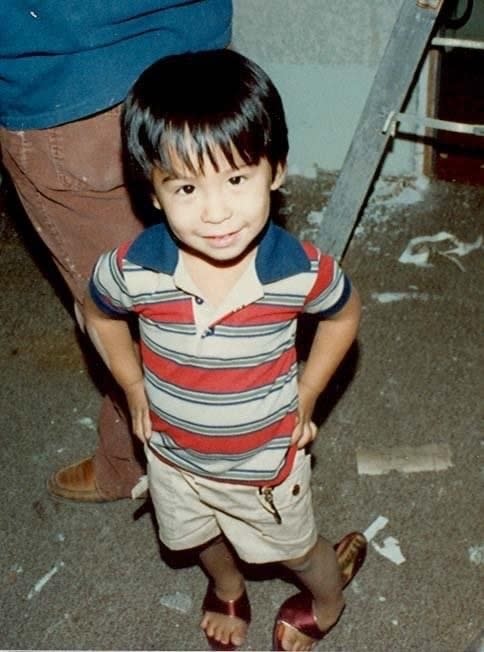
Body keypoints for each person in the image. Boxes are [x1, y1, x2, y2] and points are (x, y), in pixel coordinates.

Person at [83, 49, 367, 651]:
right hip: (174, 456)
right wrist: (133, 385)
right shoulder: (134, 270)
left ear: (277, 171)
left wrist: (308, 391)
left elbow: (344, 315)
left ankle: (328, 596)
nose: (216, 212)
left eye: (237, 178)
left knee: (296, 549)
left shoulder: (300, 272)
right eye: (186, 186)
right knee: (194, 537)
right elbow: (96, 312)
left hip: (263, 463)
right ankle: (229, 583)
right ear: (153, 193)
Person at [0, 1, 233, 501]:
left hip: (70, 77)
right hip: (195, 58)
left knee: (126, 306)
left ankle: (188, 481)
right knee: (196, 278)